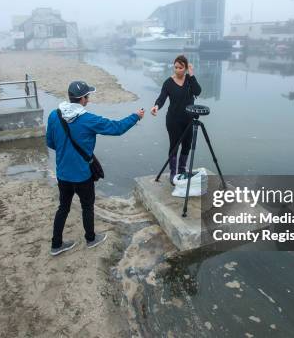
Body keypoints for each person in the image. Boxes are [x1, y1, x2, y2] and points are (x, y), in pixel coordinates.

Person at [46, 81, 145, 256]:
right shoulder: (88, 119)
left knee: (63, 207)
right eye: (87, 97)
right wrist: (136, 116)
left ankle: (56, 245)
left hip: (62, 174)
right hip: (82, 175)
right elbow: (117, 128)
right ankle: (91, 239)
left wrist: (66, 152)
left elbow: (50, 143)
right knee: (87, 207)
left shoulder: (54, 115)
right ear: (82, 99)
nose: (88, 100)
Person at [150, 55, 202, 184]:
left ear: (185, 68)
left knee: (187, 145)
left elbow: (198, 91)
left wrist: (192, 74)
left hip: (189, 119)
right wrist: (156, 106)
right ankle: (173, 172)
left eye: (180, 67)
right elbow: (162, 98)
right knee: (174, 145)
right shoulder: (168, 82)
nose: (177, 70)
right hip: (173, 120)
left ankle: (182, 170)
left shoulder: (190, 80)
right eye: (176, 67)